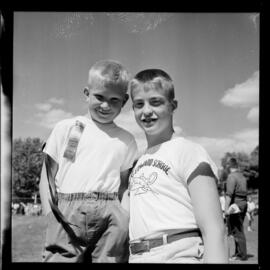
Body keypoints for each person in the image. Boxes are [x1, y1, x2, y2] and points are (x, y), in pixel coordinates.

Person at [123, 69, 228, 263]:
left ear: (173, 106)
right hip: (137, 256)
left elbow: (214, 229)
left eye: (155, 102)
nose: (146, 111)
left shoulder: (188, 151)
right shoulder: (137, 163)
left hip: (177, 253)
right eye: (139, 104)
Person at [39, 59, 138, 263]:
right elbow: (47, 178)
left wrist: (124, 217)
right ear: (86, 93)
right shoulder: (66, 127)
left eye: (114, 100)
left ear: (125, 101)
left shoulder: (127, 140)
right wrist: (50, 214)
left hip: (110, 213)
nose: (105, 105)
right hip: (66, 213)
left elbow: (124, 186)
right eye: (99, 97)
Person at [225, 157, 248, 261]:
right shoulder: (242, 176)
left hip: (236, 205)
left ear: (230, 166)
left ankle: (242, 255)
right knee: (238, 230)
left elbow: (229, 194)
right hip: (244, 204)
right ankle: (238, 253)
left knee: (237, 231)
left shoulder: (231, 177)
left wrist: (226, 209)